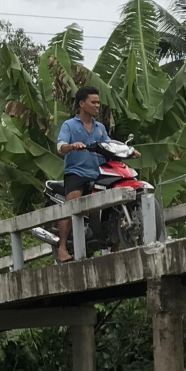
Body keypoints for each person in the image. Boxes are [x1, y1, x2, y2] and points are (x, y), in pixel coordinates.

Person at [55, 87, 139, 262]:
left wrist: (129, 151)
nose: (97, 105)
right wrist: (72, 146)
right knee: (72, 202)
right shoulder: (69, 125)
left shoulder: (100, 128)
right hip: (77, 173)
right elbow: (60, 146)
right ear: (81, 104)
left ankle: (115, 245)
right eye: (93, 102)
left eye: (98, 102)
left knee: (114, 201)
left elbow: (110, 146)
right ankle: (62, 248)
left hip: (99, 173)